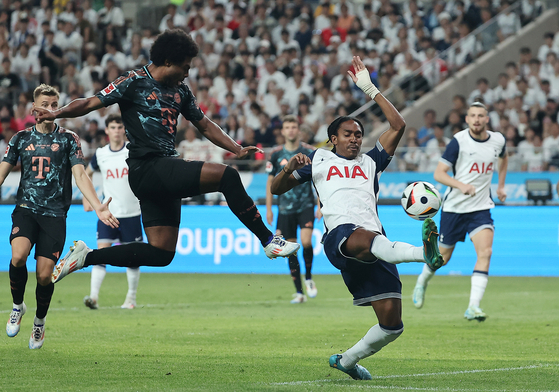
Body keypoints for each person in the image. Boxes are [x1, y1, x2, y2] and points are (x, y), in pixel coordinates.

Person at [34, 29, 299, 284]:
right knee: (227, 175)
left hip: (162, 172)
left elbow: (204, 124)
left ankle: (86, 257)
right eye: (185, 66)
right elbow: (91, 102)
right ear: (168, 61)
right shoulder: (133, 81)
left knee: (162, 254)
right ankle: (268, 240)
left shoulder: (181, 90)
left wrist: (237, 148)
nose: (188, 72)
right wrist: (58, 113)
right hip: (146, 167)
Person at [270, 56, 444, 380]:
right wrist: (288, 169)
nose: (355, 138)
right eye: (348, 134)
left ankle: (346, 360)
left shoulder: (371, 161)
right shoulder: (318, 160)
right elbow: (276, 188)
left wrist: (369, 88)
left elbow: (399, 125)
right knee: (369, 239)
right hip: (341, 235)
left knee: (392, 325)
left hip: (375, 240)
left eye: (359, 133)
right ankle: (426, 254)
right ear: (333, 139)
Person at [1, 84, 116, 349]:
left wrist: (97, 204)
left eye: (55, 105)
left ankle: (39, 322)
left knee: (44, 276)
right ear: (34, 108)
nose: (52, 109)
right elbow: (3, 172)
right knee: (18, 256)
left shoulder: (69, 139)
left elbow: (79, 174)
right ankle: (18, 305)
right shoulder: (20, 139)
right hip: (26, 209)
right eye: (46, 104)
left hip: (55, 215)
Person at [412, 102, 508, 322]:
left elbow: (504, 158)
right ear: (467, 119)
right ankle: (422, 282)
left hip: (481, 208)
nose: (476, 119)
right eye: (472, 115)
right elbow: (439, 173)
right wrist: (460, 185)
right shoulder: (459, 142)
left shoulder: (498, 140)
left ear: (487, 119)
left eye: (480, 115)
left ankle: (473, 307)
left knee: (486, 253)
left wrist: (501, 185)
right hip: (455, 208)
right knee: (441, 259)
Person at [82, 114, 142, 310]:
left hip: (132, 212)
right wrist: (87, 197)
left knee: (132, 258)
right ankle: (93, 297)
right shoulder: (100, 154)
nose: (117, 131)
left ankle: (131, 299)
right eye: (113, 127)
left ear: (124, 130)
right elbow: (86, 173)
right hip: (108, 213)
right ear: (106, 130)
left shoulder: (132, 151)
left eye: (119, 127)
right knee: (102, 253)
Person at [266, 115, 321, 304]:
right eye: (287, 127)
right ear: (282, 131)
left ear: (298, 130)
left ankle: (309, 279)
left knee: (306, 242)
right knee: (291, 249)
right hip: (284, 208)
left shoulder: (309, 152)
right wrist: (269, 208)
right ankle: (299, 292)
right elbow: (270, 182)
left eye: (293, 126)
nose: (290, 130)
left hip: (305, 204)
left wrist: (320, 204)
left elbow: (317, 178)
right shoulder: (275, 155)